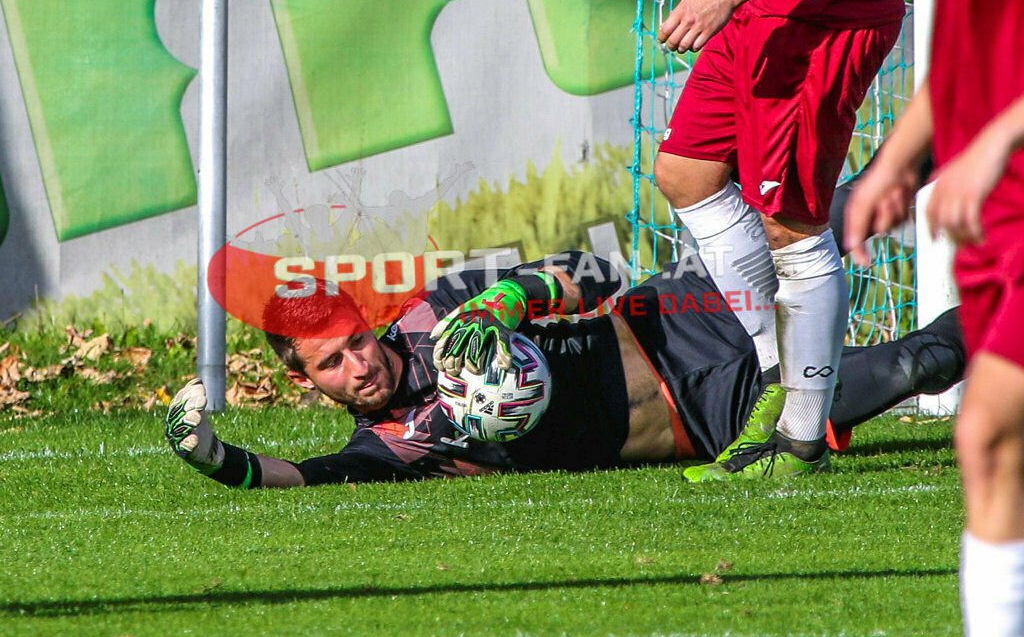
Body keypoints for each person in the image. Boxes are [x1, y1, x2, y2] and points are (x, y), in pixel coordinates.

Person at [165, 246, 964, 488]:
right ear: (310, 382)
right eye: (332, 366)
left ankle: (972, 129)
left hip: (684, 313)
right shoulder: (398, 444)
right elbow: (303, 479)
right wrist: (213, 457)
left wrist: (508, 302)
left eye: (352, 341)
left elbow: (599, 266)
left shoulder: (438, 308)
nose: (357, 368)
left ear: (363, 320)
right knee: (918, 363)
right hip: (721, 415)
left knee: (853, 209)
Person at [650, 0, 911, 479]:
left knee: (791, 227)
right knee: (685, 172)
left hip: (818, 20)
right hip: (769, 3)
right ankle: (777, 375)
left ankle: (801, 442)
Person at [844, 0, 1024, 632]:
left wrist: (998, 138)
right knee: (994, 453)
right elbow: (960, 44)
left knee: (984, 432)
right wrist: (896, 163)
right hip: (997, 219)